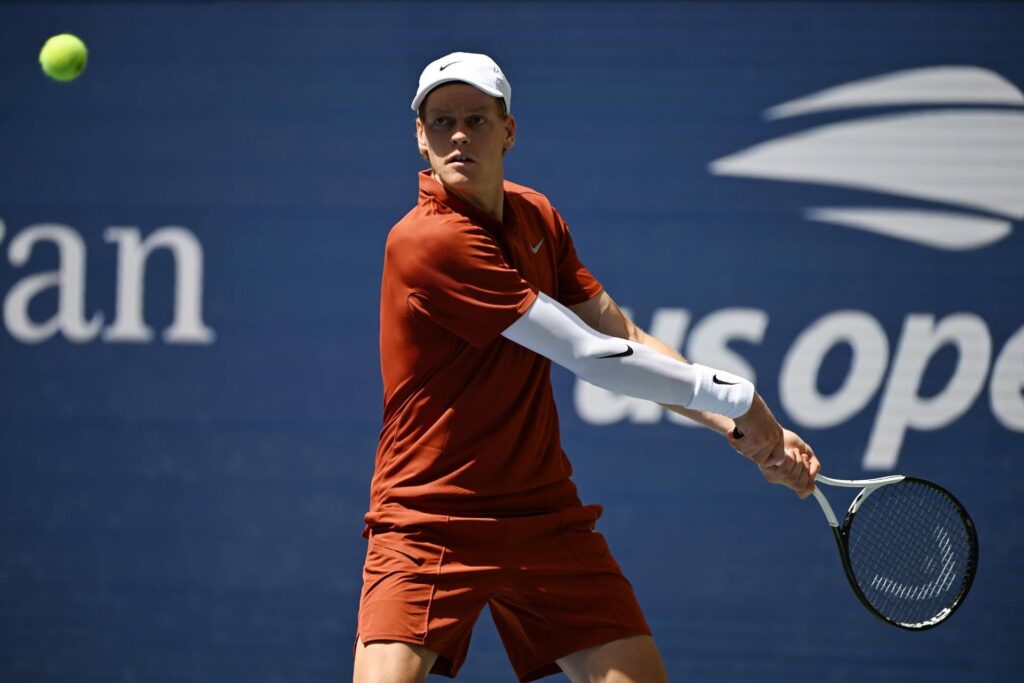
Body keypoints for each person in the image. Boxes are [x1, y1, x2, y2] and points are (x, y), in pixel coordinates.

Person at [354, 52, 821, 683]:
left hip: (541, 513)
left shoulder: (536, 216)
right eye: (440, 122)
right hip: (430, 517)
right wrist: (740, 402)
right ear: (420, 135)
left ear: (508, 130)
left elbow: (622, 333)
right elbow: (591, 356)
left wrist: (737, 433)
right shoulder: (427, 241)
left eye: (475, 119)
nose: (458, 135)